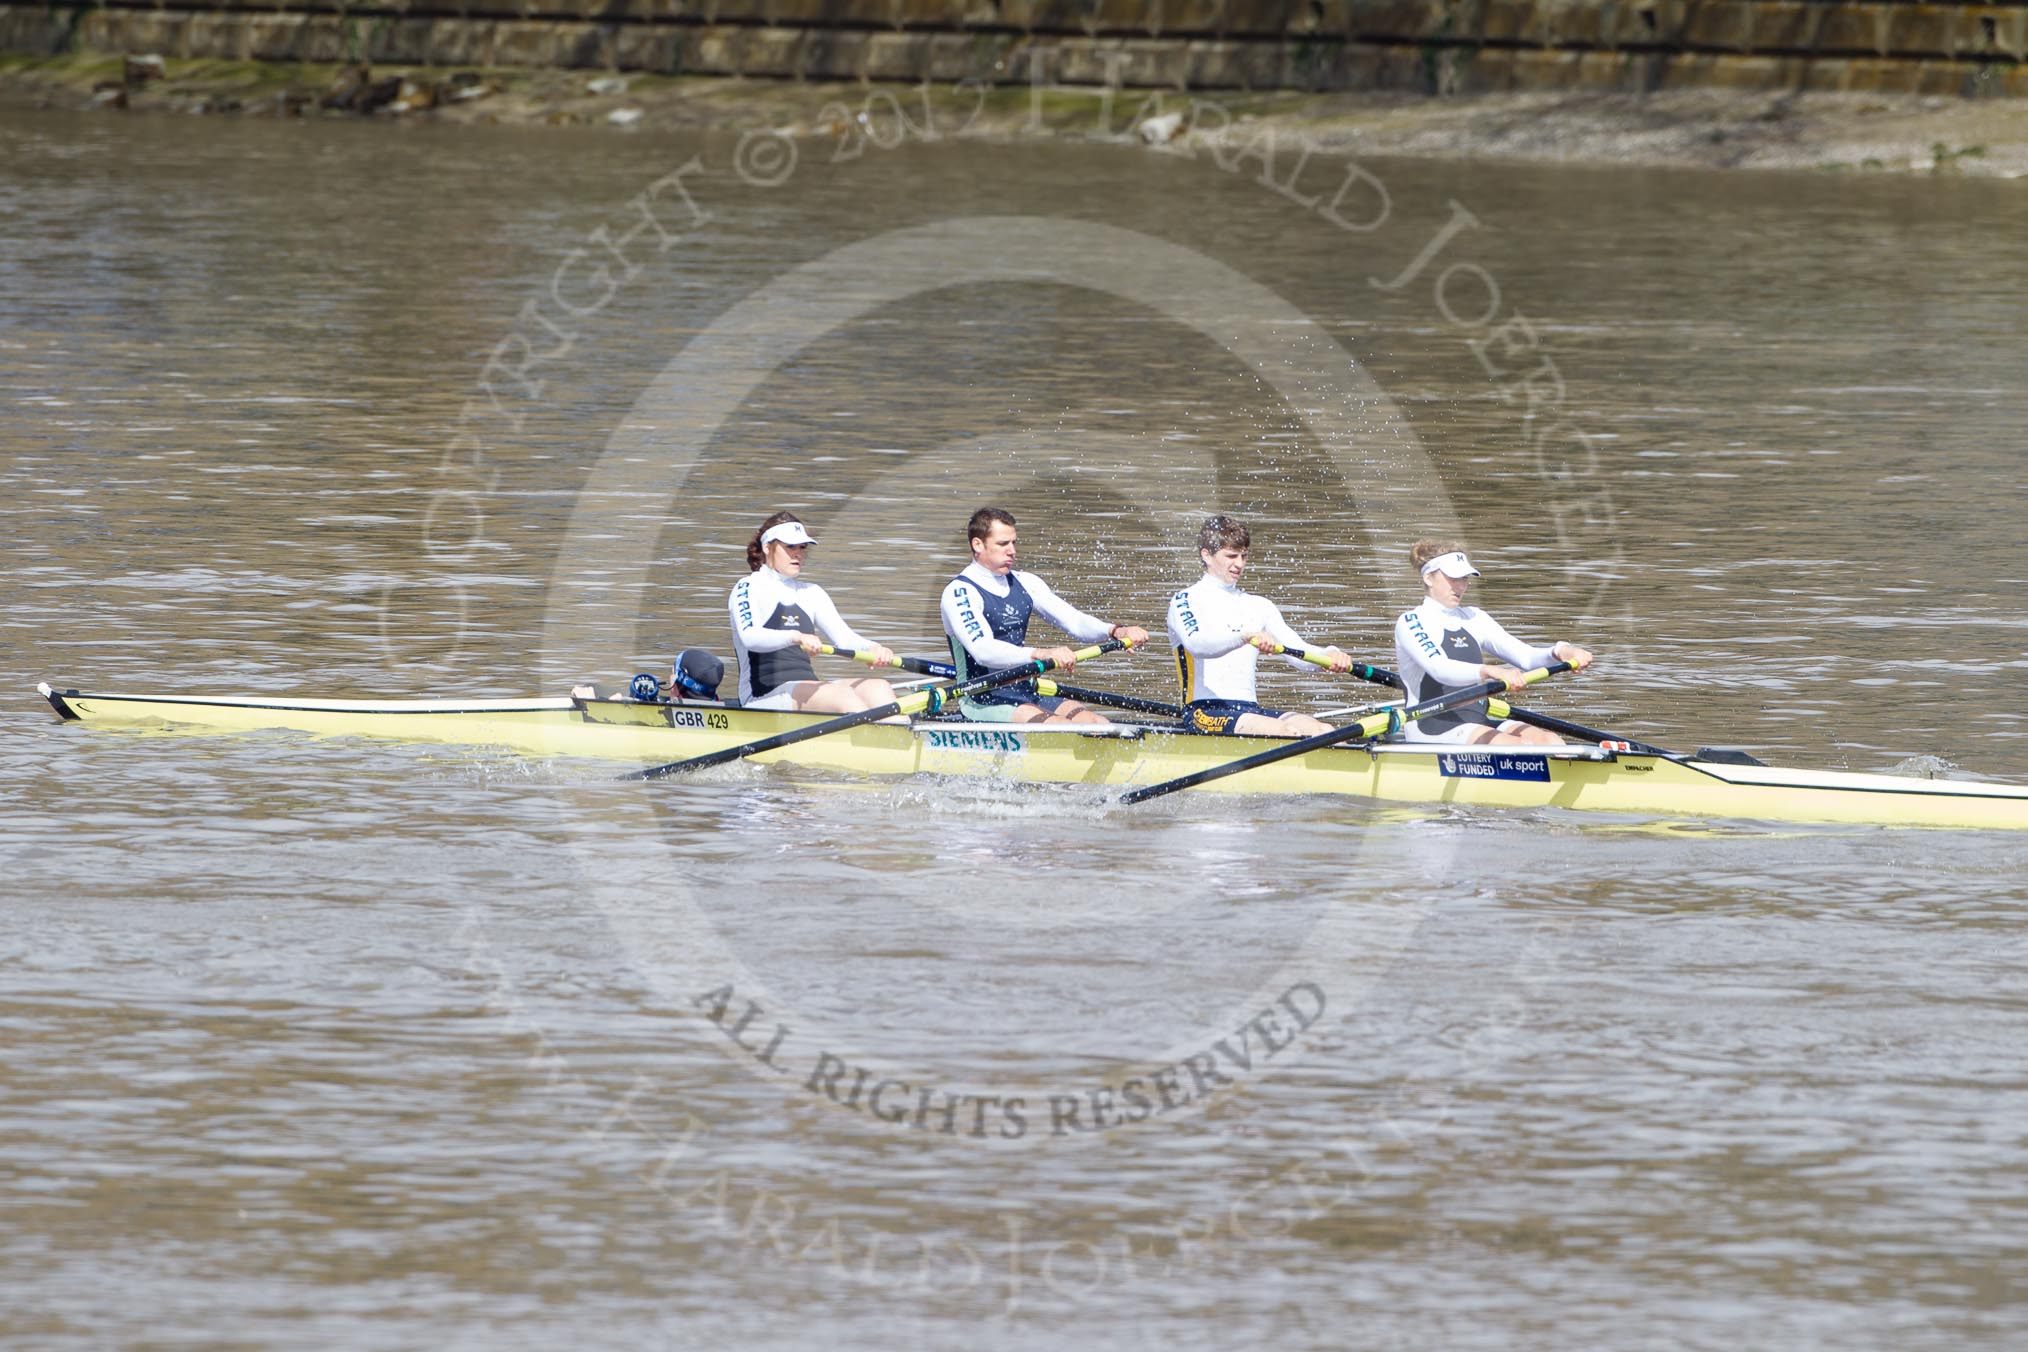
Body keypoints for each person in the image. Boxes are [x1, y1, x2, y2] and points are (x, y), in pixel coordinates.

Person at [939, 506, 1149, 724]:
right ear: (978, 544)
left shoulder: (1026, 582)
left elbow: (1074, 621)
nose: (1012, 551)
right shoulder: (959, 592)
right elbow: (982, 650)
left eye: (1013, 542)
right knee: (1062, 728)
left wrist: (1115, 630)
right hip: (981, 700)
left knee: (1097, 723)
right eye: (1003, 544)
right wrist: (1039, 653)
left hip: (1025, 692)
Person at [1392, 539, 1594, 745]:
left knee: (1550, 741)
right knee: (1517, 747)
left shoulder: (1474, 617)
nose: (1462, 585)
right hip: (1430, 726)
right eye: (1454, 578)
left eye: (1465, 578)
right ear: (1428, 578)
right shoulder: (1410, 622)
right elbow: (1439, 668)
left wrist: (1560, 650)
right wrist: (1490, 671)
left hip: (1476, 720)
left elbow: (1525, 657)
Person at [1167, 515, 1353, 737]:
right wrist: (1244, 637)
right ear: (1206, 555)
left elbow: (1297, 653)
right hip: (1203, 712)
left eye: (1244, 556)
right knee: (1283, 731)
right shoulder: (1185, 599)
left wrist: (1329, 654)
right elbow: (1197, 644)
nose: (1239, 564)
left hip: (1250, 712)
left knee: (1323, 730)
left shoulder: (1259, 605)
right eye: (1231, 556)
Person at [728, 512, 900, 713]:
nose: (798, 554)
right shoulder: (748, 586)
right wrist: (796, 637)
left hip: (805, 692)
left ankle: (902, 736)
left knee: (879, 687)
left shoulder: (812, 592)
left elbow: (845, 640)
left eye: (802, 547)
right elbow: (750, 637)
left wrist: (874, 648)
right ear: (767, 547)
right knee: (842, 697)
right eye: (790, 546)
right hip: (762, 696)